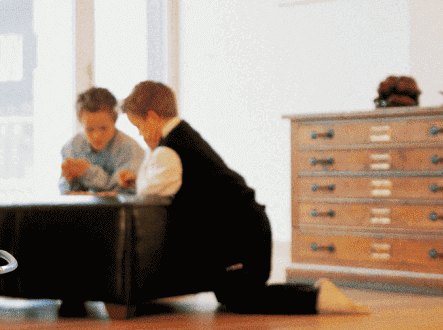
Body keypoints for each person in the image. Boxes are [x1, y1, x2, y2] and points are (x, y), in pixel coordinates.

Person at [117, 80, 368, 315]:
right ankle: (314, 292)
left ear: (153, 117)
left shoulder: (168, 150)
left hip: (242, 237)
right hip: (249, 230)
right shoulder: (182, 138)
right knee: (230, 293)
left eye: (139, 127)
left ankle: (316, 298)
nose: (141, 135)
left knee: (241, 297)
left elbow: (149, 192)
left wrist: (144, 166)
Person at [59, 87, 145, 195]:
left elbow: (122, 192)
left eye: (104, 128)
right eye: (90, 129)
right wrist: (69, 180)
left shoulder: (131, 150)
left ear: (114, 120)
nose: (97, 136)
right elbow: (65, 189)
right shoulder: (72, 146)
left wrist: (87, 171)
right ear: (80, 121)